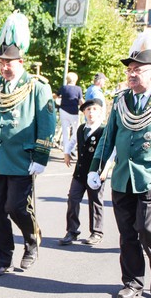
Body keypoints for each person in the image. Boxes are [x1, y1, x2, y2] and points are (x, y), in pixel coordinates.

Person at [87, 29, 151, 298]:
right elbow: (108, 140)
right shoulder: (120, 102)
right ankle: (133, 282)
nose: (131, 74)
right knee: (127, 233)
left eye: (138, 69)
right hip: (123, 178)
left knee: (149, 229)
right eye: (130, 69)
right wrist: (96, 167)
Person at [0, 11, 55, 276]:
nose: (4, 68)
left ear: (21, 62)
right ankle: (3, 259)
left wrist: (41, 157)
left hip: (22, 160)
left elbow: (47, 125)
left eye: (9, 63)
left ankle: (31, 241)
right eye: (1, 63)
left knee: (16, 207)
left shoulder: (37, 87)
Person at [59, 99, 106, 246]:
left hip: (96, 173)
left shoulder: (103, 130)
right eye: (88, 110)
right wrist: (67, 152)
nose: (91, 113)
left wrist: (105, 170)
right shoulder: (81, 129)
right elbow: (72, 141)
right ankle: (72, 231)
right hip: (79, 172)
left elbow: (111, 149)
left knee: (95, 201)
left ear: (100, 113)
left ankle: (96, 232)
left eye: (94, 109)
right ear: (84, 113)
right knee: (73, 199)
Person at [56, 72, 84, 156]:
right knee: (76, 130)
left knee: (65, 131)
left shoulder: (63, 88)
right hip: (74, 111)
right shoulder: (78, 89)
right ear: (76, 79)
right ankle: (71, 147)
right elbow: (80, 101)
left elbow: (57, 96)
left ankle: (66, 150)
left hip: (63, 110)